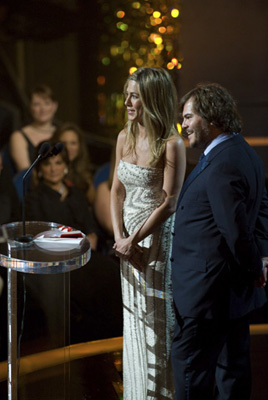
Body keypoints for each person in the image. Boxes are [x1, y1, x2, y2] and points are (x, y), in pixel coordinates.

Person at [171, 82, 268, 400]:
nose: (183, 125)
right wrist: (262, 260)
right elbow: (262, 212)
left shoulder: (222, 164)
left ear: (211, 117)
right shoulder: (243, 152)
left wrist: (256, 266)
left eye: (188, 117)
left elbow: (236, 233)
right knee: (233, 375)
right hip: (231, 295)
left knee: (190, 374)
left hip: (207, 296)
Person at [110, 67, 186, 399]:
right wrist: (119, 239)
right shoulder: (124, 137)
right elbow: (115, 191)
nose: (127, 101)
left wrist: (133, 240)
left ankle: (162, 394)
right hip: (127, 244)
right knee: (134, 322)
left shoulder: (172, 144)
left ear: (152, 99)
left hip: (155, 244)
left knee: (157, 322)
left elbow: (170, 203)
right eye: (126, 94)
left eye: (134, 96)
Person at [25, 143, 98, 250]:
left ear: (66, 166)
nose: (53, 169)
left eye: (58, 163)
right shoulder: (33, 200)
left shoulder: (77, 194)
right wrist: (80, 241)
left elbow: (91, 230)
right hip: (53, 256)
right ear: (40, 169)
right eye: (47, 164)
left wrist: (91, 239)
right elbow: (42, 238)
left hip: (86, 253)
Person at [9, 84, 58, 172]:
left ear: (54, 106)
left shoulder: (63, 133)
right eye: (36, 104)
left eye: (47, 103)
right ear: (30, 108)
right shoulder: (19, 136)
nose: (42, 109)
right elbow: (26, 173)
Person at [52, 122, 95, 205]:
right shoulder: (48, 173)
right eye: (64, 143)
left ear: (80, 147)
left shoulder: (85, 175)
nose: (68, 148)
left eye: (73, 143)